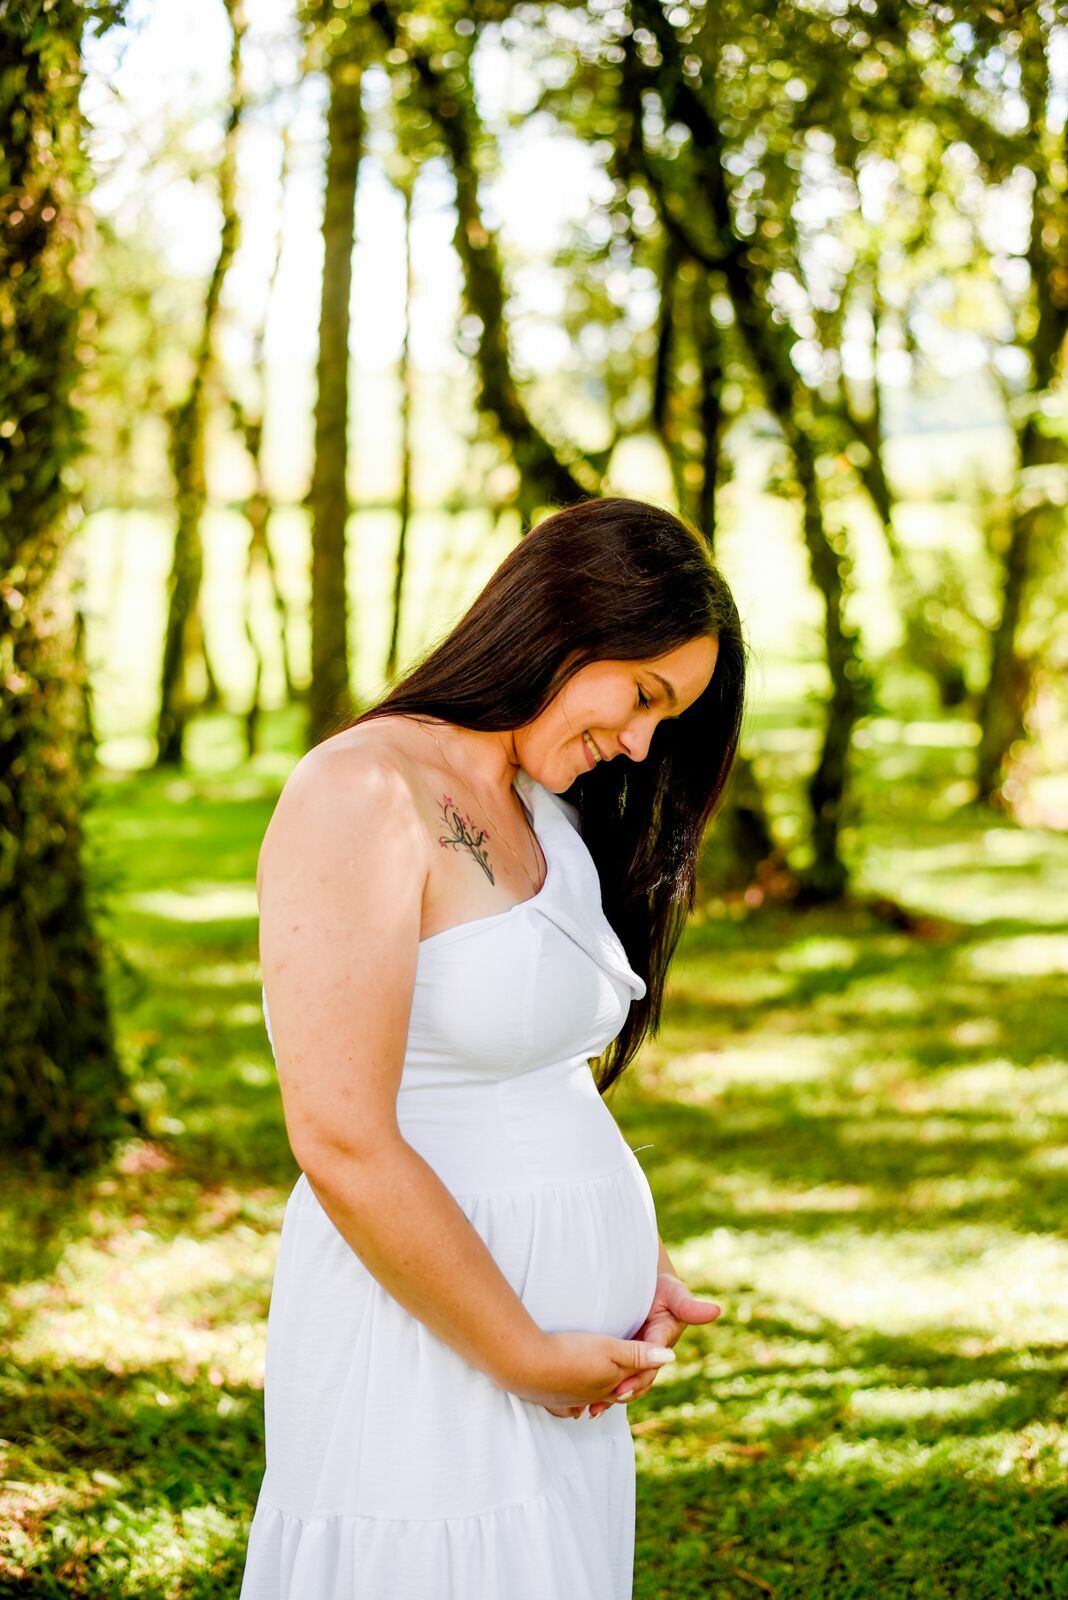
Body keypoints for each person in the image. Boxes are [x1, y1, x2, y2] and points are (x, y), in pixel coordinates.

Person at [239, 496, 747, 1599]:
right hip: (422, 1337)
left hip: (553, 1356)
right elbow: (339, 1134)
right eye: (645, 695)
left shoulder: (538, 799)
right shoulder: (362, 790)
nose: (641, 742)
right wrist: (520, 1349)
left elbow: (527, 1077)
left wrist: (625, 1271)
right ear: (568, 618)